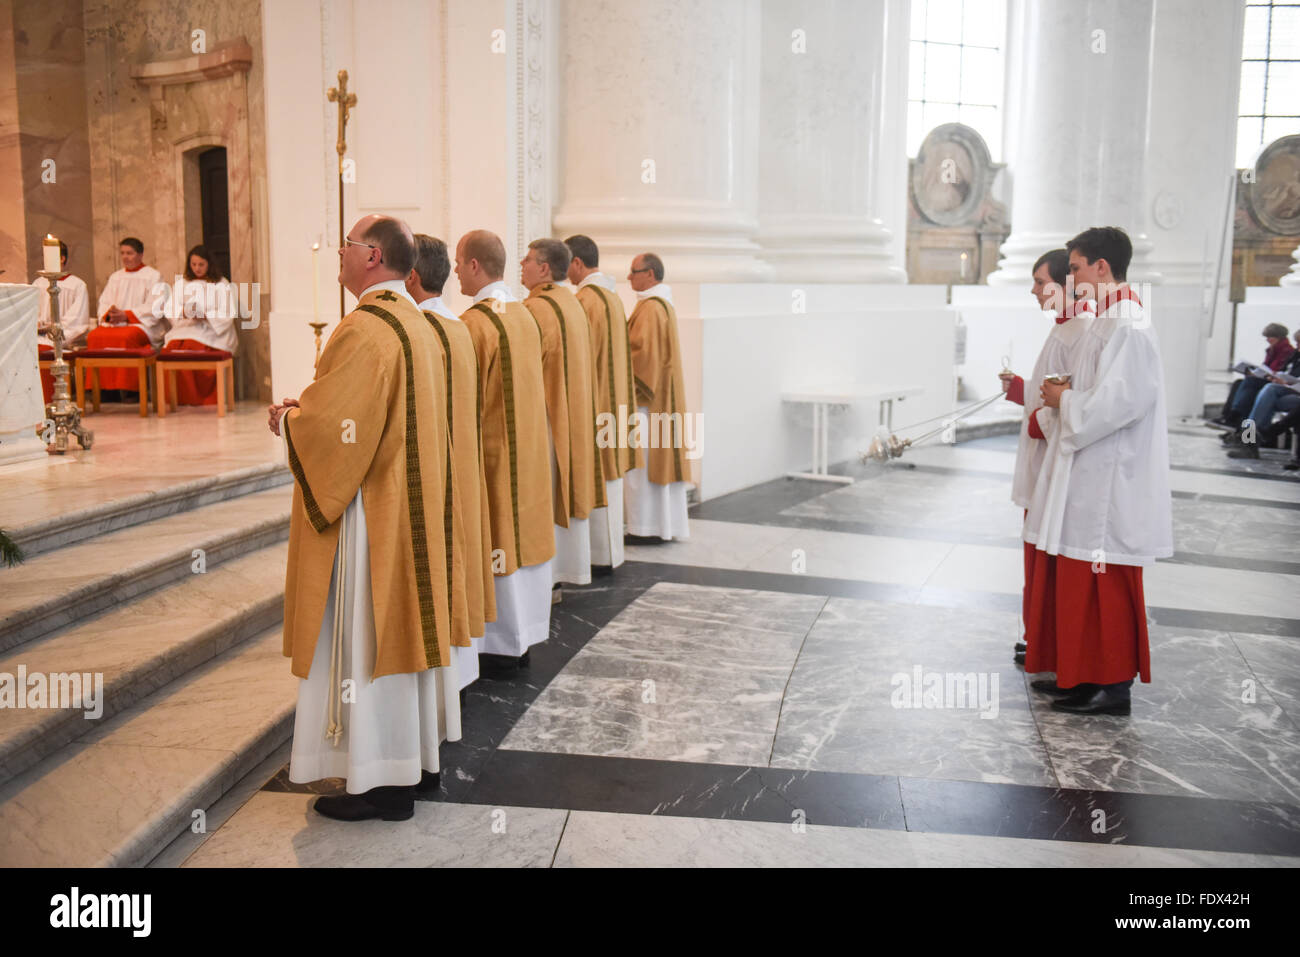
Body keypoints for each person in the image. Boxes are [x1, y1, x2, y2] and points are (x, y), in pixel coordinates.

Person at [268, 214, 462, 822]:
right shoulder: (419, 323)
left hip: (369, 520)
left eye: (347, 246)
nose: (339, 255)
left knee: (369, 640)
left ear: (372, 256)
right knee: (405, 639)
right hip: (414, 511)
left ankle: (381, 782)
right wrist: (319, 410)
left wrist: (293, 421)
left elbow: (336, 433)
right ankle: (416, 764)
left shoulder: (364, 328)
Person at [1029, 226, 1172, 716]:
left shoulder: (1128, 324)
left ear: (1101, 268)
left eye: (1074, 268)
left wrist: (1064, 399)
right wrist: (1062, 398)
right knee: (1081, 577)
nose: (1071, 277)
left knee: (1102, 579)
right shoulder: (1107, 322)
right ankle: (1082, 675)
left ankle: (1112, 686)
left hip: (1112, 476)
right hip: (1089, 467)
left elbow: (1121, 403)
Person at [454, 229, 555, 678]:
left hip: (494, 456)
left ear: (475, 265)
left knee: (498, 541)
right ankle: (524, 634)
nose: (456, 269)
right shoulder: (522, 314)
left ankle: (498, 643)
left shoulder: (475, 324)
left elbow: (461, 402)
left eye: (460, 261)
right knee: (522, 544)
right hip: (529, 452)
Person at [998, 248, 1095, 666]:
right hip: (1042, 461)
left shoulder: (1081, 331)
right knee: (1035, 556)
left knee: (1046, 558)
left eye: (1041, 282)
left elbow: (1076, 403)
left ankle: (1044, 637)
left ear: (1064, 284)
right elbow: (1049, 392)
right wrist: (1021, 389)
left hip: (1054, 462)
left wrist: (1041, 421)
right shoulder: (1063, 329)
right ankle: (1037, 633)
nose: (1034, 291)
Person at [407, 232, 495, 690]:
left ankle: (440, 684)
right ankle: (460, 673)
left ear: (411, 276)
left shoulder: (417, 334)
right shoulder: (459, 328)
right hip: (461, 474)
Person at [521, 238, 603, 589]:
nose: (521, 266)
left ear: (543, 268)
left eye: (526, 260)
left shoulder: (535, 310)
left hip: (547, 422)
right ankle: (568, 570)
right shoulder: (571, 303)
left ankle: (548, 580)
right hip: (577, 417)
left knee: (546, 494)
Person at [566, 234, 643, 572]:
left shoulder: (584, 300)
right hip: (615, 403)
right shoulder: (613, 297)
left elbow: (578, 358)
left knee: (596, 477)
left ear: (577, 263)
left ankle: (597, 555)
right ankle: (611, 552)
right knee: (610, 483)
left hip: (594, 402)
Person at [624, 253, 691, 541]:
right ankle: (663, 525)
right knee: (657, 466)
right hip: (663, 399)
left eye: (634, 272)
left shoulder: (650, 308)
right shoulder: (663, 304)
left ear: (650, 274)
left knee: (644, 465)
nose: (629, 278)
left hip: (647, 403)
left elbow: (642, 355)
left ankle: (645, 528)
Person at [85, 236, 168, 395]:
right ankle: (102, 391)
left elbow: (156, 305)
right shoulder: (116, 277)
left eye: (129, 253)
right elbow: (105, 301)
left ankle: (130, 390)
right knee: (94, 337)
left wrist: (127, 315)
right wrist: (110, 315)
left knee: (126, 337)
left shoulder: (153, 276)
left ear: (140, 254)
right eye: (122, 253)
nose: (125, 257)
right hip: (115, 323)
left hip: (140, 325)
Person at [159, 245, 237, 406]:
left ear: (209, 264)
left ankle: (200, 399)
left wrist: (206, 316)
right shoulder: (182, 283)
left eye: (201, 264)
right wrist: (184, 313)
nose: (197, 268)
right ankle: (177, 399)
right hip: (185, 327)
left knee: (192, 346)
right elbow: (170, 308)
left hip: (211, 332)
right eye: (193, 264)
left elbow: (227, 312)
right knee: (172, 348)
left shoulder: (221, 283)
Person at [1224, 329, 1300, 459]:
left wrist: (1287, 383)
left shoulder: (1288, 352)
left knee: (1268, 393)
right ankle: (1250, 440)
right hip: (1290, 391)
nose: (1297, 347)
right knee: (1267, 396)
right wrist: (1277, 378)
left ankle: (1248, 440)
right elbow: (1284, 372)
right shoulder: (1295, 356)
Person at [33, 240, 91, 404]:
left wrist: (54, 329)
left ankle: (48, 400)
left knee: (42, 349)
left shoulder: (77, 285)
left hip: (61, 337)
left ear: (62, 259)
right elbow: (32, 312)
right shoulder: (38, 284)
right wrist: (37, 325)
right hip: (38, 336)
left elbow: (77, 317)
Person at [1209, 323, 1294, 429]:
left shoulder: (1286, 351)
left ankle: (1236, 416)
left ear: (1279, 337)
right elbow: (1266, 367)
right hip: (1269, 379)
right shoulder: (1272, 350)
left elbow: (1277, 369)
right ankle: (1229, 415)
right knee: (1239, 383)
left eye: (1270, 337)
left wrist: (1260, 374)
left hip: (1274, 381)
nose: (1267, 339)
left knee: (1251, 384)